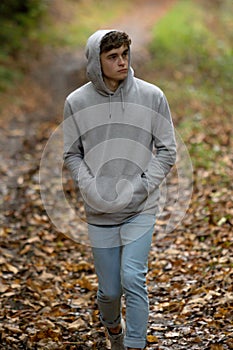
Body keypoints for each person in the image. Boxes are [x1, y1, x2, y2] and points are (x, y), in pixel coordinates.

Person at [63, 30, 176, 350]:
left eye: (125, 54)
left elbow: (168, 150)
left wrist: (142, 187)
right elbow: (72, 153)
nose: (122, 61)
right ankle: (115, 332)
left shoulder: (153, 96)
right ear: (95, 63)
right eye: (112, 57)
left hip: (141, 207)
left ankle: (136, 344)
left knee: (133, 279)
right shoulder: (76, 102)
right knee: (110, 291)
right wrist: (90, 189)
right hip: (99, 210)